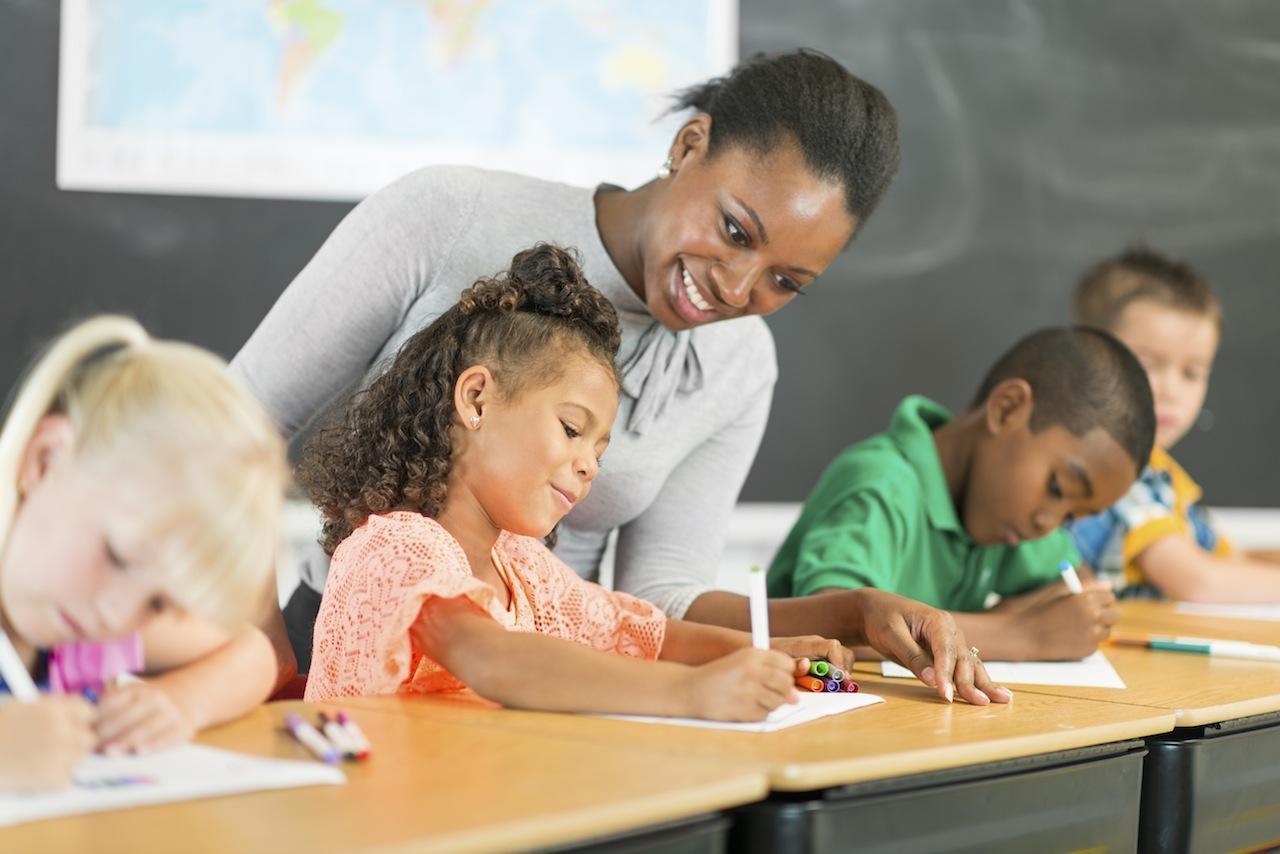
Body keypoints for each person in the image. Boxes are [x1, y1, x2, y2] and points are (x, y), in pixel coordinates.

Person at [229, 50, 986, 689]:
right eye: (733, 229)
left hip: (555, 689)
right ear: (691, 146)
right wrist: (256, 653)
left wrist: (851, 615)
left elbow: (657, 598)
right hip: (345, 662)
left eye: (785, 282)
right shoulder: (449, 214)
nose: (736, 286)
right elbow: (230, 425)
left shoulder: (738, 365)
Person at [299, 245, 859, 720]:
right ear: (475, 399)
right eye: (572, 429)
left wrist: (770, 652)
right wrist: (692, 693)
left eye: (599, 448)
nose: (590, 464)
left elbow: (642, 634)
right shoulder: (393, 549)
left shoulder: (523, 565)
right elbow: (493, 658)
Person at [0, 316, 287, 791]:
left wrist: (181, 701)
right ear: (46, 460)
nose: (119, 614)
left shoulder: (82, 632)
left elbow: (255, 652)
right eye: (117, 556)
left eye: (158, 603)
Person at [766, 327, 1156, 661]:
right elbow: (837, 629)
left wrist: (1057, 612)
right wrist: (1022, 635)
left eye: (1072, 517)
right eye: (1057, 489)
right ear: (1006, 409)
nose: (1048, 524)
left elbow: (1073, 586)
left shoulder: (1003, 516)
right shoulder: (879, 485)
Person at [1068, 247, 1280, 600]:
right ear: (1089, 359)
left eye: (1192, 373)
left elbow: (1228, 560)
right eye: (1149, 364)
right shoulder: (1111, 468)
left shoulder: (1163, 474)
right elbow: (1198, 581)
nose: (1171, 391)